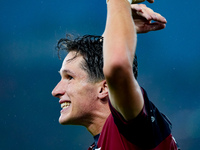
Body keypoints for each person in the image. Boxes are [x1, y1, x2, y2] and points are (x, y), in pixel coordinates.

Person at [52, 0, 180, 149]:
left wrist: (118, 2)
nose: (55, 91)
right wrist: (122, 23)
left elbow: (116, 67)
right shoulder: (105, 142)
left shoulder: (133, 128)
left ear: (104, 88)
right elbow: (100, 60)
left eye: (70, 77)